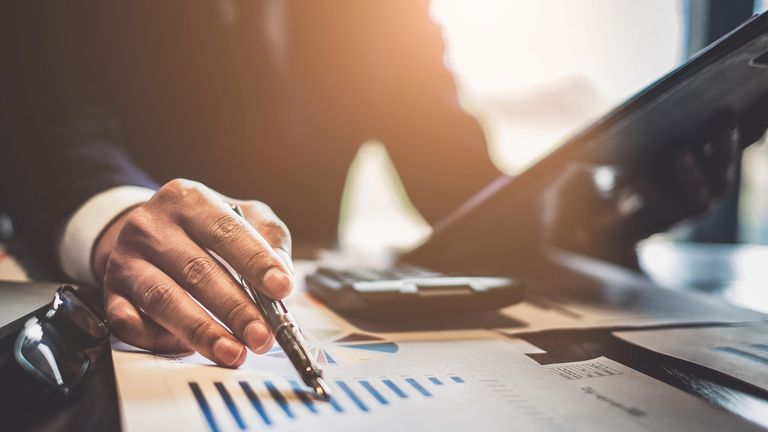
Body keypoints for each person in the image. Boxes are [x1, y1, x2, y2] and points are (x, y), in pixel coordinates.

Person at [0, 0, 750, 368]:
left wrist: (615, 215)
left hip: (285, 308)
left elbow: (457, 181)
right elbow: (49, 126)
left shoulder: (374, 14)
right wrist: (118, 218)